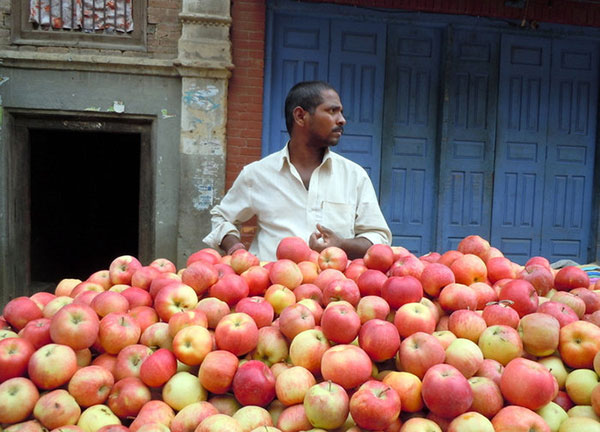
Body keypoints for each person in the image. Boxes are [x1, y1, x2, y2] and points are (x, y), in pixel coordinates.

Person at [203, 80, 392, 262]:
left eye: (341, 112)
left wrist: (341, 245)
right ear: (300, 116)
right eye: (332, 111)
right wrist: (236, 250)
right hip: (271, 289)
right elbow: (221, 217)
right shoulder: (257, 174)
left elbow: (378, 237)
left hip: (334, 289)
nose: (342, 120)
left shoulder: (354, 176)